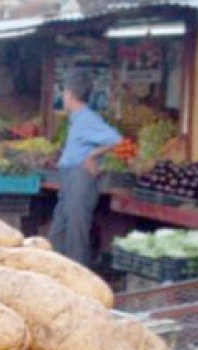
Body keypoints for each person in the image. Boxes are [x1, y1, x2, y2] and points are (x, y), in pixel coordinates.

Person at [48, 70, 121, 267]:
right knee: (59, 228)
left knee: (76, 230)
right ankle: (55, 269)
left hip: (80, 178)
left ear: (70, 95)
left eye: (64, 93)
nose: (63, 97)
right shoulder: (77, 118)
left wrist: (92, 155)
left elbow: (115, 139)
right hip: (69, 177)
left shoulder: (88, 118)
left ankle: (78, 275)